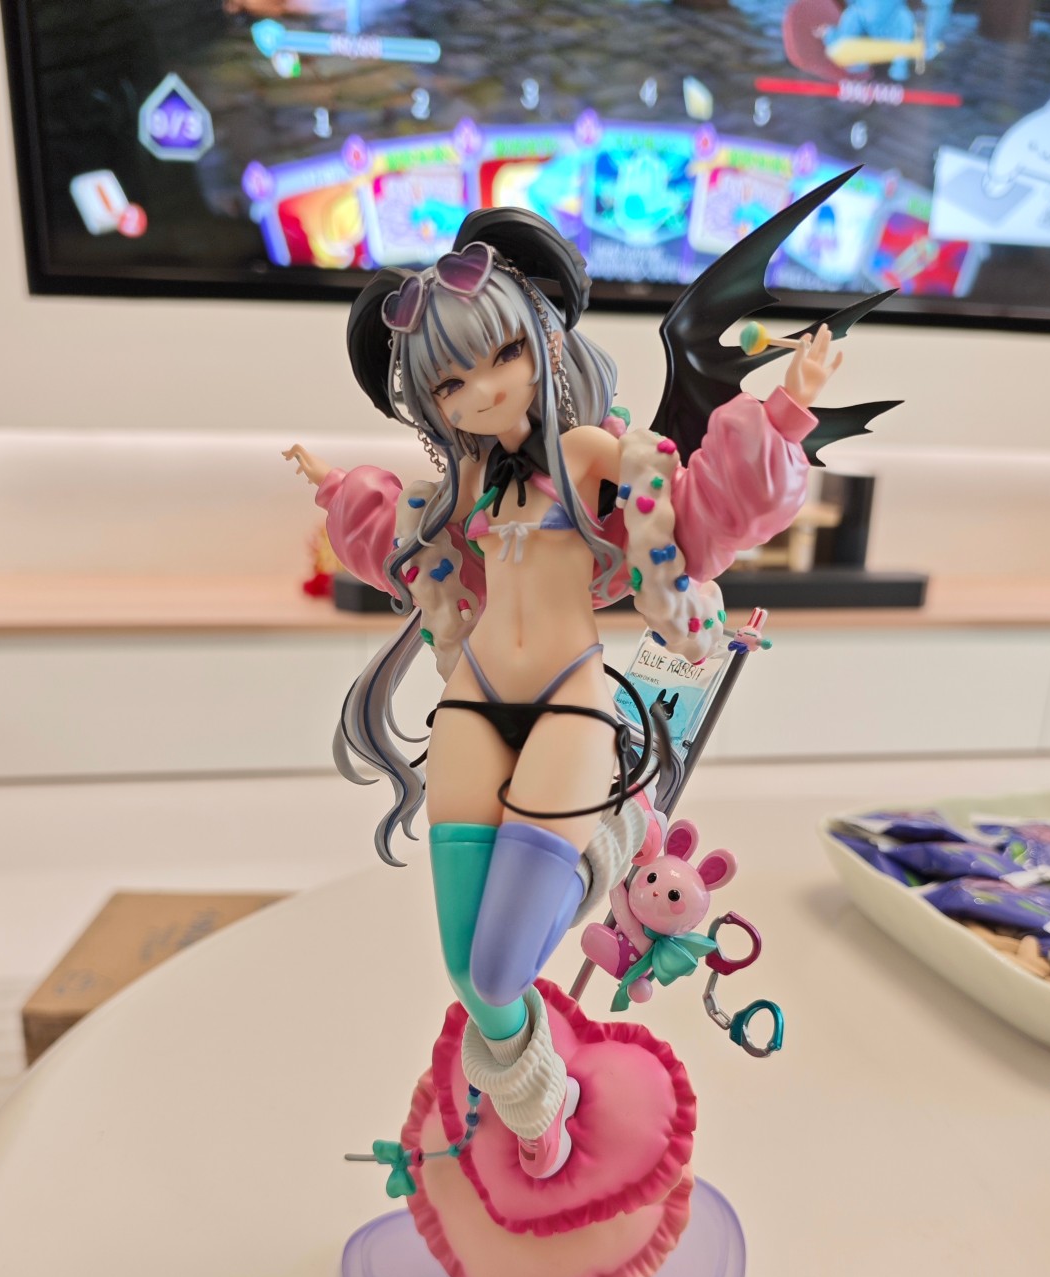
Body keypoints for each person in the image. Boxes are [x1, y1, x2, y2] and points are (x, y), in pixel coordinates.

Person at [285, 203, 848, 1182]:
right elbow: (401, 549)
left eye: (501, 355)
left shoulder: (591, 454)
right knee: (469, 972)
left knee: (501, 967)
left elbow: (702, 509)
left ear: (545, 339)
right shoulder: (461, 483)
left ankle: (606, 873)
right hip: (471, 705)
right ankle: (539, 1099)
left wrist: (787, 414)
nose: (481, 392)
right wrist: (338, 490)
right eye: (450, 384)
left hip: (567, 704)